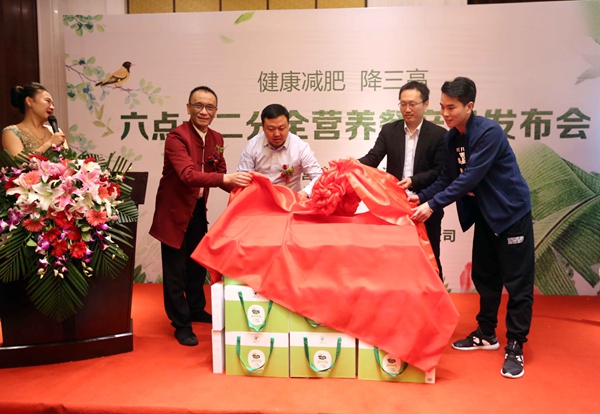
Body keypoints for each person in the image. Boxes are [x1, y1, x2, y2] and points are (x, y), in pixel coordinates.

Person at [409, 77, 534, 379]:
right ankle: (486, 333)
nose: (445, 113)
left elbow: (470, 178)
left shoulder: (489, 133)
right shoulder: (452, 139)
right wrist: (420, 197)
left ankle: (515, 344)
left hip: (510, 214)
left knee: (517, 284)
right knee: (485, 276)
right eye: (442, 107)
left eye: (451, 107)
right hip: (486, 216)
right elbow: (447, 179)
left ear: (469, 106)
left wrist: (433, 205)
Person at [149, 86, 252, 346]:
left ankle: (195, 309)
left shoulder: (216, 138)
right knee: (175, 271)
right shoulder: (177, 137)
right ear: (188, 108)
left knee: (196, 264)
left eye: (209, 107)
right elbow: (188, 175)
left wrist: (249, 188)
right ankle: (181, 324)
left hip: (196, 210)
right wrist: (225, 179)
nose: (204, 111)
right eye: (198, 106)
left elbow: (222, 173)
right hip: (173, 212)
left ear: (216, 111)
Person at [358, 81, 446, 280]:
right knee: (395, 260)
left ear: (426, 104)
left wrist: (414, 180)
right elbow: (372, 158)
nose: (407, 109)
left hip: (425, 205)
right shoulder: (390, 130)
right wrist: (348, 164)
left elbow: (440, 171)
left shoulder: (439, 135)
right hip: (394, 206)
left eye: (413, 104)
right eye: (403, 104)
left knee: (430, 259)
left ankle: (435, 299)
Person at [237, 104, 322, 199]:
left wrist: (304, 194)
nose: (277, 134)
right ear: (262, 126)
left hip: (291, 202)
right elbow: (242, 177)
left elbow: (318, 176)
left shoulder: (300, 147)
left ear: (288, 125)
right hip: (260, 201)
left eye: (281, 128)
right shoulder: (253, 145)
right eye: (271, 129)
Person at [2, 82, 66, 155]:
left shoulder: (55, 132)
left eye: (53, 104)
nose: (52, 107)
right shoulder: (12, 132)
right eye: (47, 101)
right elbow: (20, 161)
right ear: (29, 101)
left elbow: (68, 160)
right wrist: (50, 143)